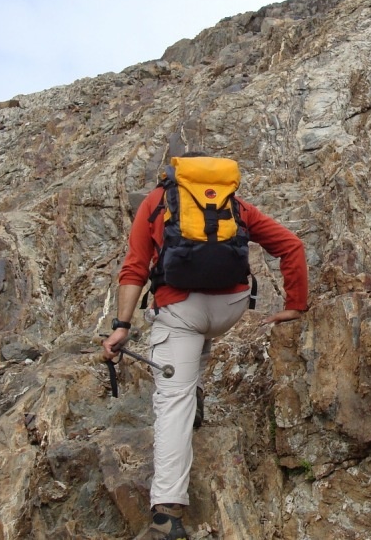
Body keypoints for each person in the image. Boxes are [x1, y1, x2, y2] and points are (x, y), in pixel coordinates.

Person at [102, 153, 309, 540]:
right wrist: (294, 306)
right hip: (231, 307)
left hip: (181, 309)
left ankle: (166, 516)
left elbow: (134, 267)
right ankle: (195, 387)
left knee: (172, 400)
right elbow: (291, 246)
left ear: (174, 176)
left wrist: (122, 327)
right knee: (197, 336)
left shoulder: (156, 203)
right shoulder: (234, 205)